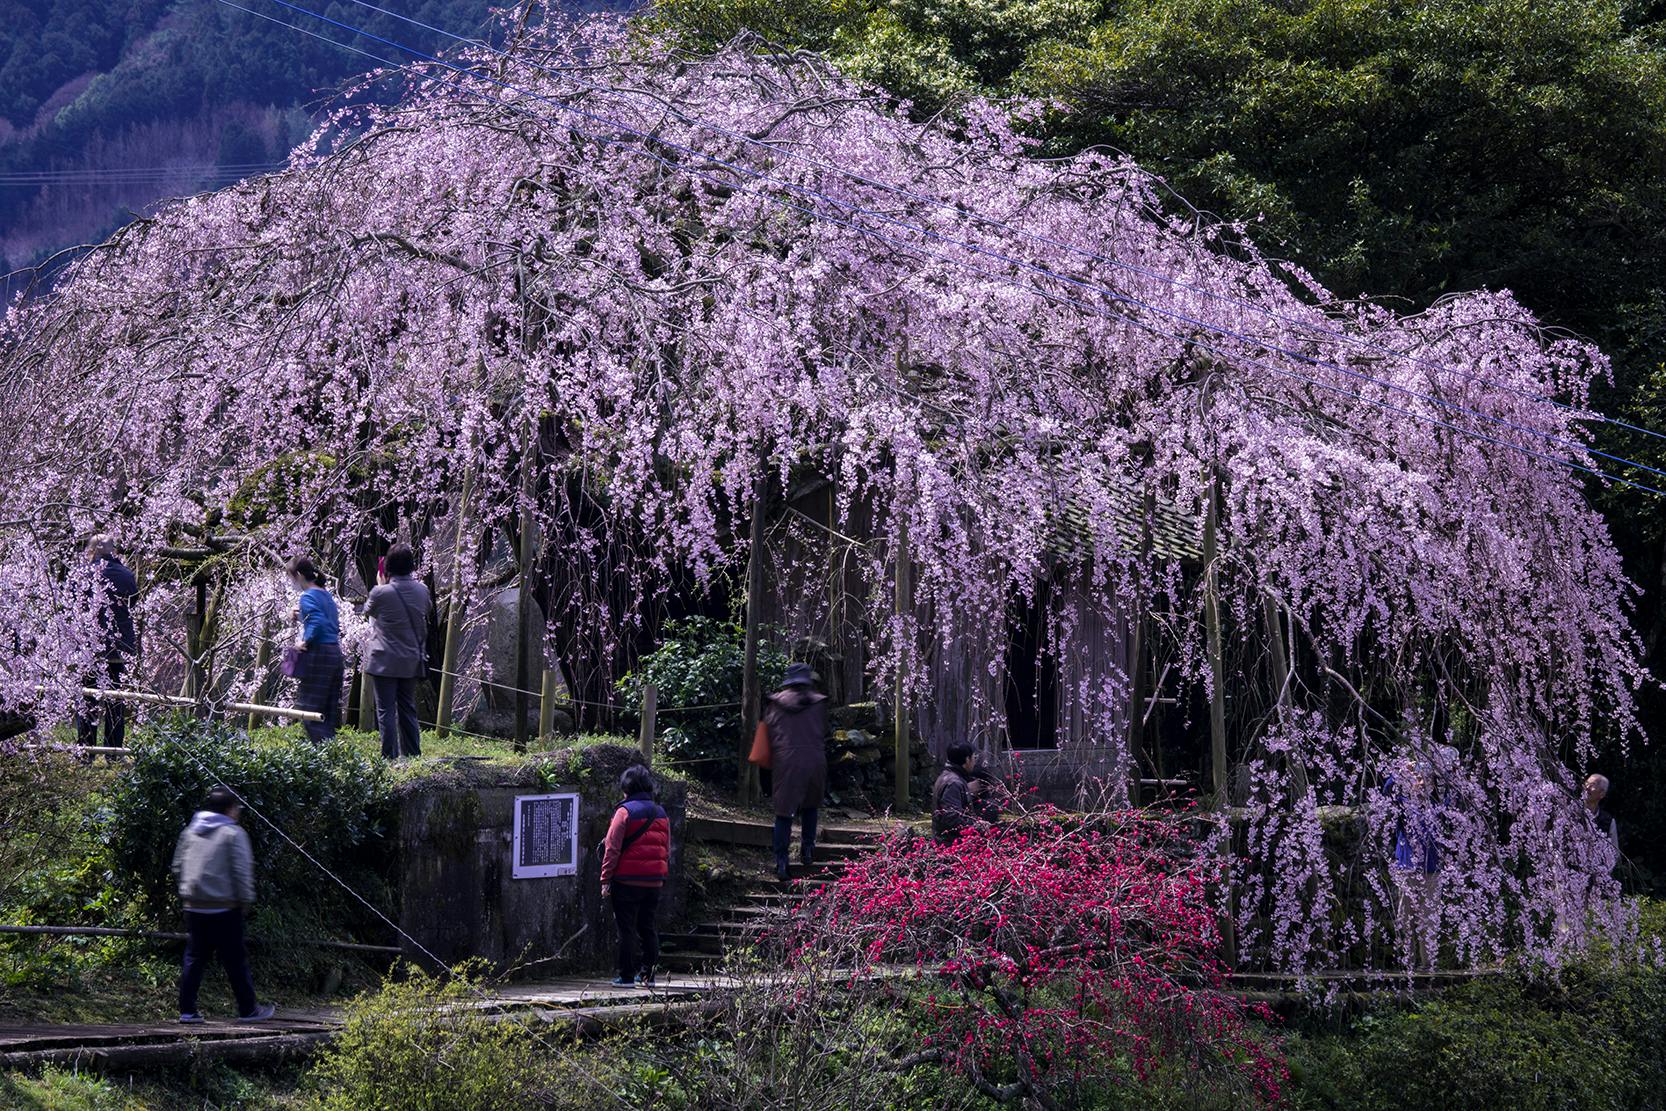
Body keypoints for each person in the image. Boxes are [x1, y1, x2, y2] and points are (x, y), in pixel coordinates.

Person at [171, 786, 275, 1024]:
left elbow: (177, 866)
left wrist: (186, 891)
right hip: (225, 906)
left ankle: (187, 1011)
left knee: (194, 958)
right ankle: (248, 1009)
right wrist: (246, 900)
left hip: (194, 905)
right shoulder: (233, 833)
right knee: (235, 959)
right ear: (229, 809)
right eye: (237, 807)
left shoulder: (191, 831)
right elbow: (241, 871)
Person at [599, 764, 671, 987]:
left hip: (626, 881)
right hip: (654, 882)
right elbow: (666, 848)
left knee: (626, 929)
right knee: (648, 927)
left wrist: (605, 878)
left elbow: (612, 848)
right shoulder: (661, 812)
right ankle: (648, 975)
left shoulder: (624, 812)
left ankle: (626, 976)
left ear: (626, 788)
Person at [362, 543, 430, 759]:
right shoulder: (422, 590)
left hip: (384, 660)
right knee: (407, 707)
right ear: (412, 565)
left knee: (386, 711)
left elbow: (367, 611)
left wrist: (381, 584)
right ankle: (412, 755)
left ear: (388, 566)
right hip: (410, 660)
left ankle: (389, 758)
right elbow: (425, 609)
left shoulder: (381, 592)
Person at [764, 662, 829, 881]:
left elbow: (770, 733)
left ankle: (782, 862)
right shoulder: (818, 704)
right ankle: (807, 850)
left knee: (784, 813)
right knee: (810, 806)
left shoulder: (776, 704)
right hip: (815, 759)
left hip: (787, 760)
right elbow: (823, 731)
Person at [77, 534, 139, 748]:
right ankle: (113, 751)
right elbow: (133, 603)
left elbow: (75, 609)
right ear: (113, 551)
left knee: (88, 699)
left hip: (90, 647)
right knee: (115, 700)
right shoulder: (127, 575)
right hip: (119, 647)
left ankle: (86, 751)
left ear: (92, 551)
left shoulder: (83, 574)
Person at [287, 557, 343, 744]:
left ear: (300, 576)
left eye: (292, 578)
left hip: (319, 655)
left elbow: (317, 622)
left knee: (309, 710)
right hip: (334, 653)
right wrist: (302, 614)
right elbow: (325, 619)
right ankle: (332, 753)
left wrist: (304, 641)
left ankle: (323, 754)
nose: (292, 583)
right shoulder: (325, 594)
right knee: (327, 710)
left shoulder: (307, 596)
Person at [932, 741, 999, 843]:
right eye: (974, 758)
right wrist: (979, 826)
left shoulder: (949, 777)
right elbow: (952, 818)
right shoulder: (953, 783)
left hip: (952, 839)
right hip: (950, 842)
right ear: (967, 760)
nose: (974, 762)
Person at [1583, 773, 1619, 851]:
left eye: (1592, 785)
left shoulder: (1608, 822)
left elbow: (1614, 853)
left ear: (1602, 794)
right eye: (1586, 783)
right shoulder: (1570, 813)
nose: (1587, 787)